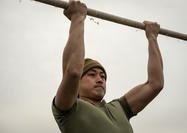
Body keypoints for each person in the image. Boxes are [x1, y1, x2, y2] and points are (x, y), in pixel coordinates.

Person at [52, 1, 164, 133]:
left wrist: (152, 38)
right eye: (92, 74)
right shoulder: (67, 108)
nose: (100, 79)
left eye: (103, 76)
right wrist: (78, 18)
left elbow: (155, 84)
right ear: (78, 83)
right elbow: (73, 72)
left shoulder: (119, 107)